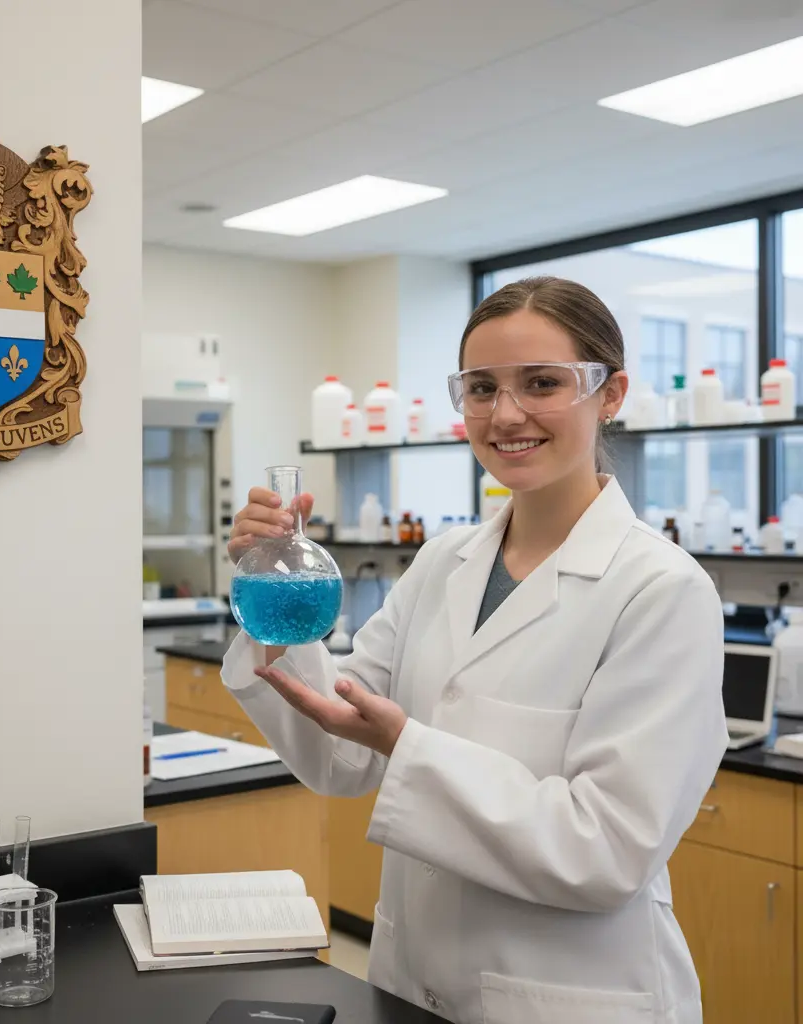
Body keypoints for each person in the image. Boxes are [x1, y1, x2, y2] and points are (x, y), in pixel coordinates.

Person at [221, 276, 726, 1024]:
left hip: (569, 997)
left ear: (611, 393)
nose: (507, 414)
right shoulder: (444, 560)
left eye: (542, 383)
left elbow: (609, 848)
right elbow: (341, 754)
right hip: (410, 980)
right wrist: (274, 598)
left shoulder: (660, 590)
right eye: (482, 388)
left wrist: (410, 745)